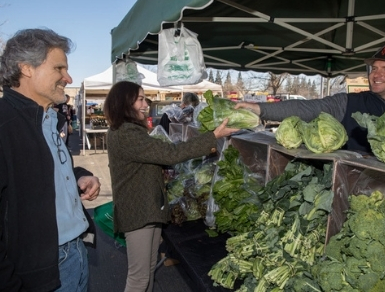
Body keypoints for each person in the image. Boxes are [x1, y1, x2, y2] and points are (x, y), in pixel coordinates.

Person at [103, 81, 238, 292]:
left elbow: (150, 159)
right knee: (139, 278)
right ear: (124, 103)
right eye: (139, 99)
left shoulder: (126, 130)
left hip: (147, 207)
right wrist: (214, 136)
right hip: (138, 210)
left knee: (147, 271)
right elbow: (171, 153)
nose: (145, 103)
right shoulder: (126, 133)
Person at [0, 28, 101, 292]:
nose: (68, 77)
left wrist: (79, 175)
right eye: (59, 68)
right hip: (36, 273)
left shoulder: (47, 119)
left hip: (76, 255)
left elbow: (40, 170)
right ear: (26, 68)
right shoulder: (5, 125)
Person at [235, 44, 385, 155]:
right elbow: (306, 108)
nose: (376, 74)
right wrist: (258, 108)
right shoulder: (349, 102)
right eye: (374, 68)